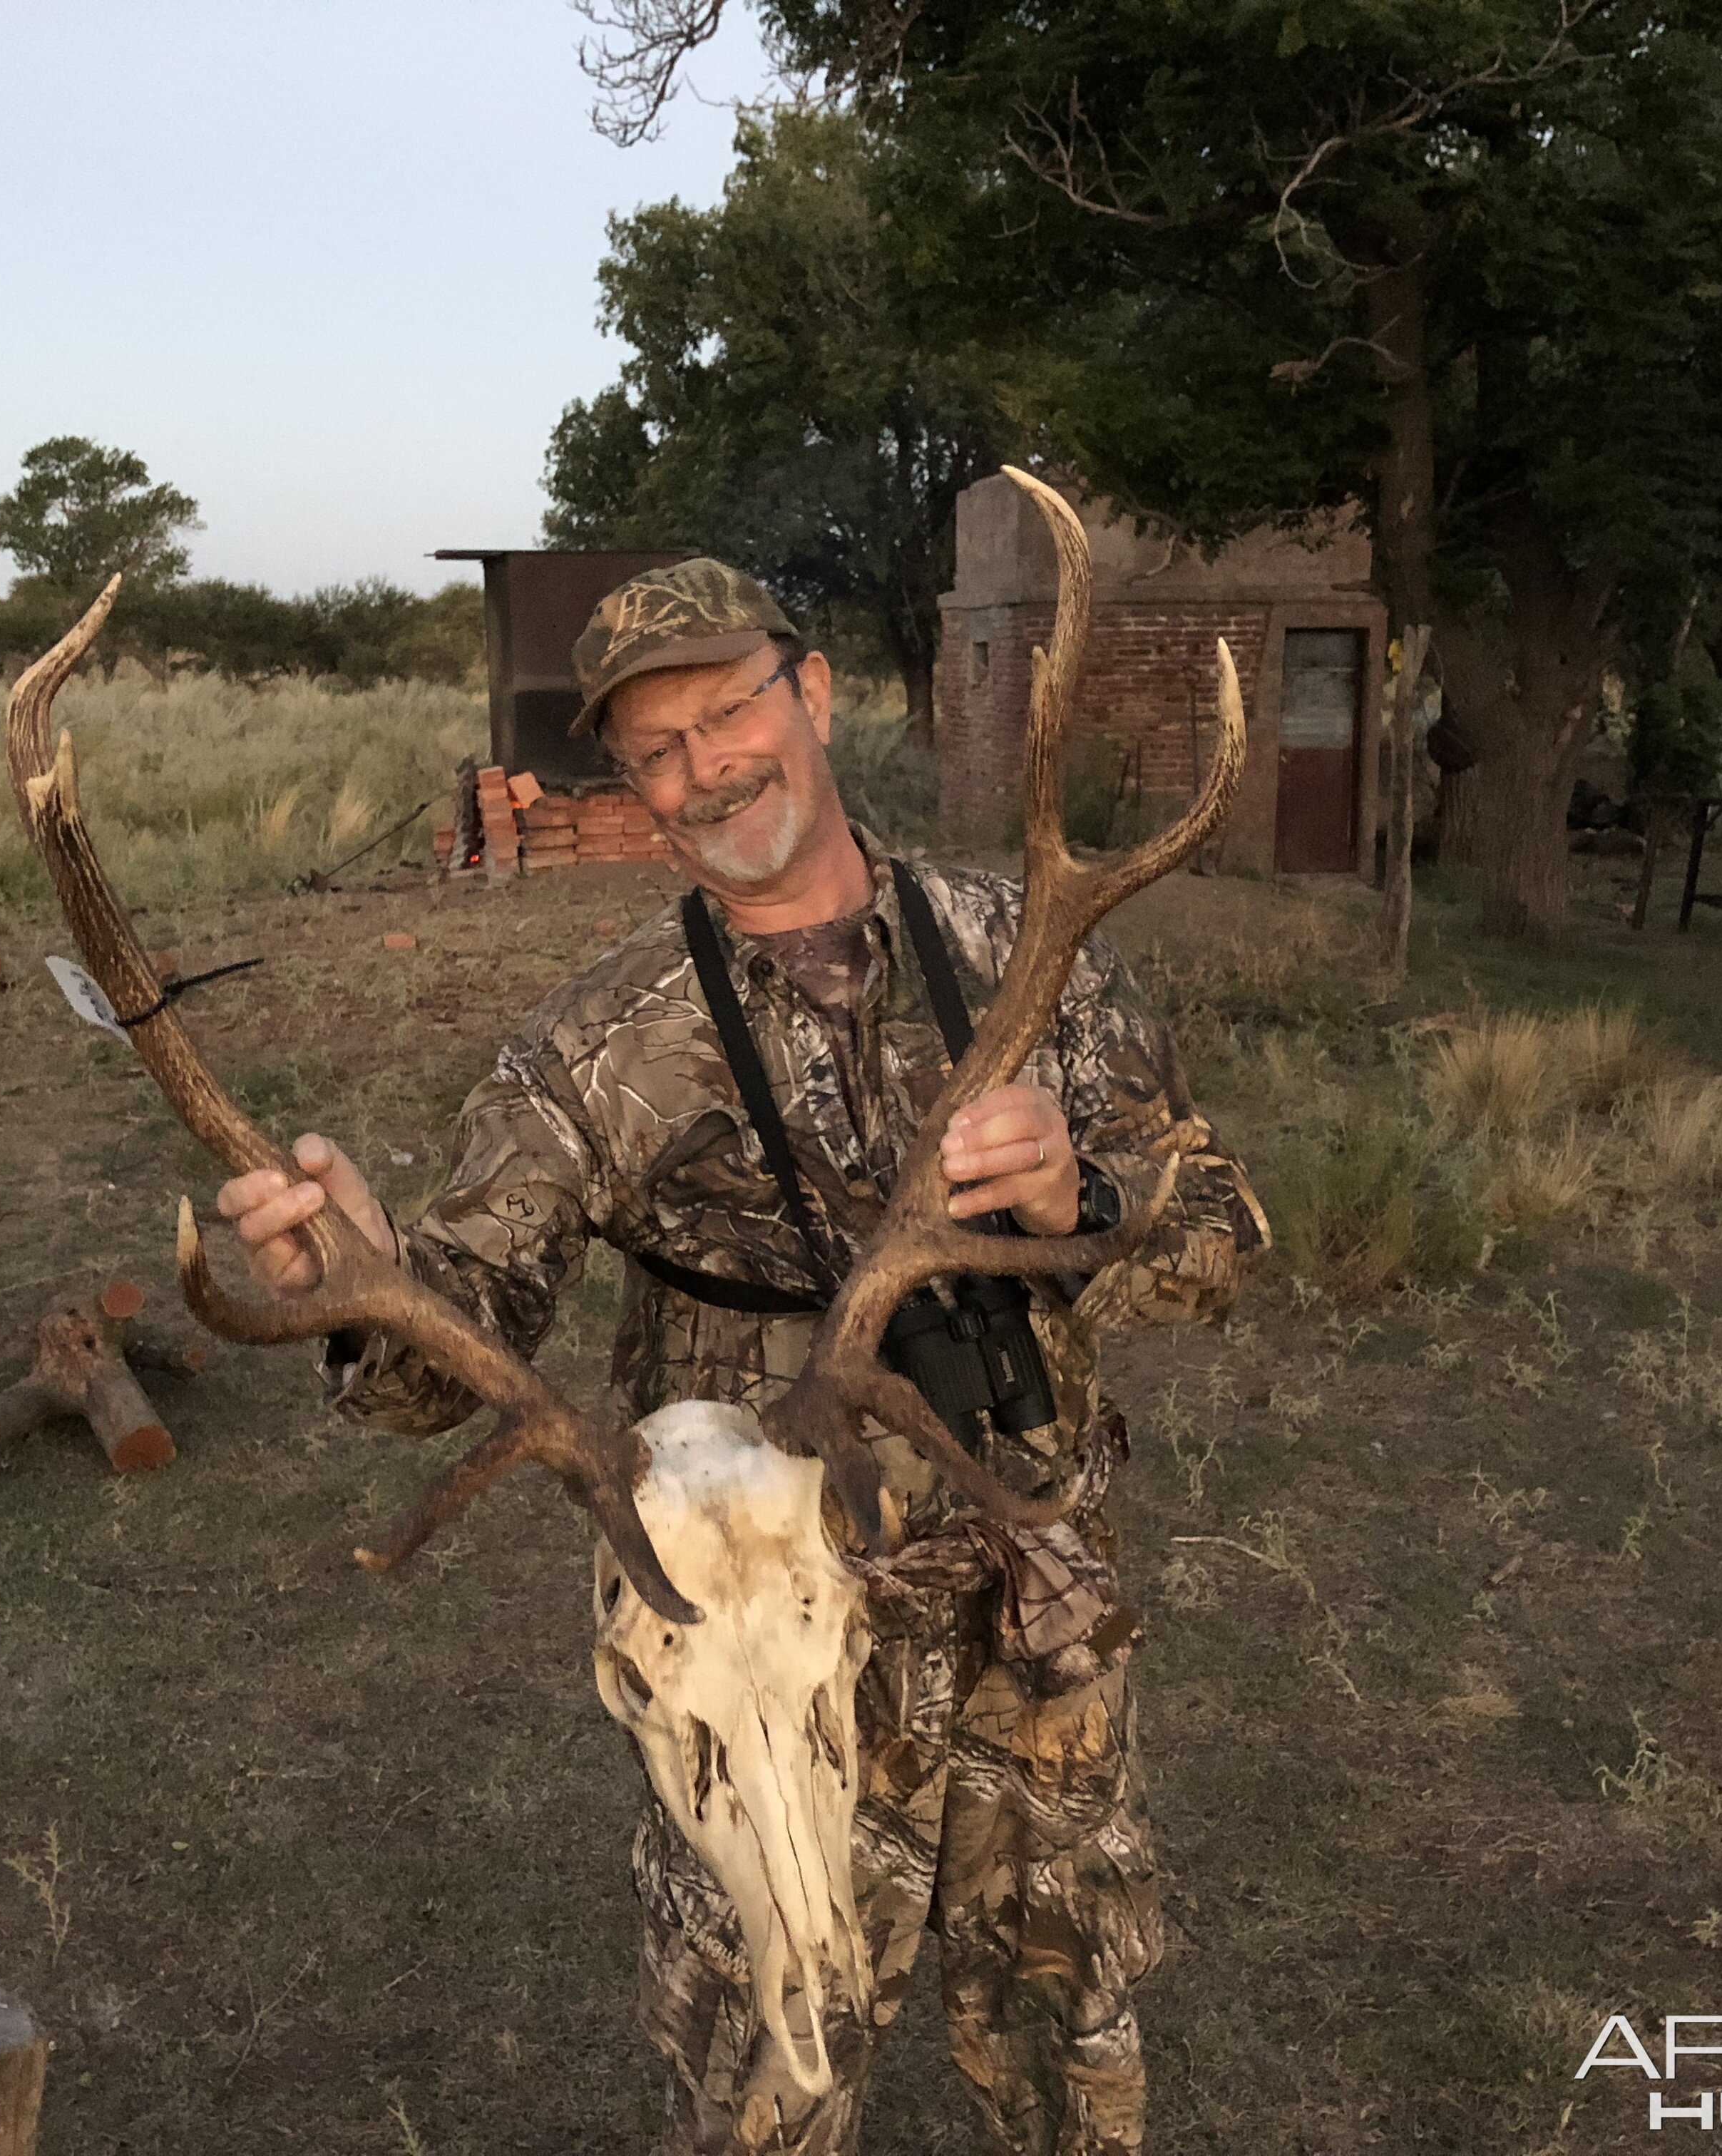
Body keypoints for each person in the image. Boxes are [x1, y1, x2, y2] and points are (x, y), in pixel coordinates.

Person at [216, 558, 1266, 2155]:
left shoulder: (1022, 950)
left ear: (817, 694)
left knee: (1071, 2060)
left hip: (1038, 1636)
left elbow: (1225, 1236)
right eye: (657, 750)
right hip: (755, 1685)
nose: (707, 768)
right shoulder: (591, 1048)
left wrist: (1084, 1195)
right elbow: (452, 1347)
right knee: (764, 2097)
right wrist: (355, 1283)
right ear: (630, 783)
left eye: (730, 713)